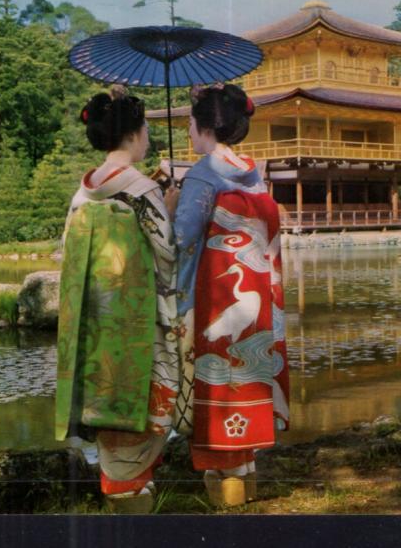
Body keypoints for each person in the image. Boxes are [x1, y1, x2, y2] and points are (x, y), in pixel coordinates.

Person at [55, 85, 191, 514]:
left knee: (107, 398)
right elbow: (167, 256)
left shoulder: (84, 192)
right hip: (140, 320)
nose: (149, 134)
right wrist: (168, 205)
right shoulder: (142, 190)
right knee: (146, 400)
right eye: (146, 126)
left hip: (97, 322)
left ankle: (120, 486)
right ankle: (132, 495)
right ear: (135, 133)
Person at [172, 83, 289, 507]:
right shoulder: (253, 174)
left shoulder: (203, 174)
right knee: (245, 393)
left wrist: (170, 207)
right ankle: (247, 497)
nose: (186, 128)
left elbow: (182, 240)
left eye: (188, 121)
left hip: (211, 303)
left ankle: (231, 515)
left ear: (201, 126)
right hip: (254, 303)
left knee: (216, 410)